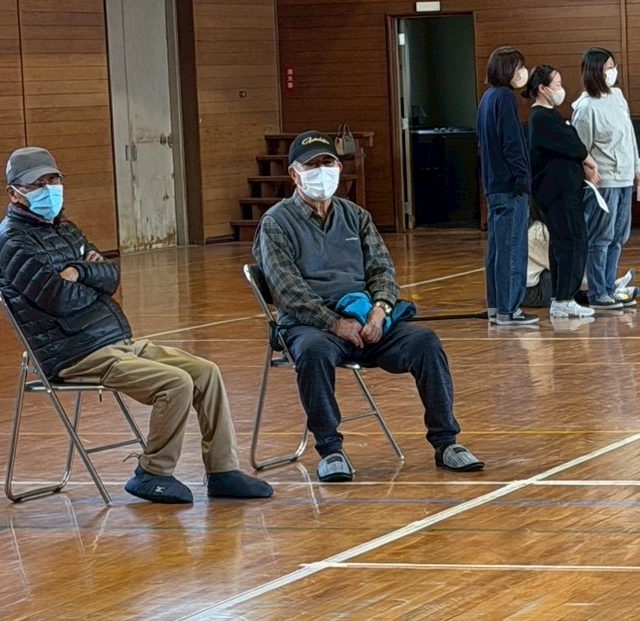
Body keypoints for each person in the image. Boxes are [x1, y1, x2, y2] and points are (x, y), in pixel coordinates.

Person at [0, 147, 273, 506]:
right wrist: (90, 278)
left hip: (114, 339)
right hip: (74, 353)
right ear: (13, 193)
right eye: (38, 184)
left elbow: (111, 275)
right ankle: (153, 473)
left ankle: (223, 471)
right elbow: (58, 300)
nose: (49, 189)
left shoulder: (65, 228)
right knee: (175, 383)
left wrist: (80, 272)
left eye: (54, 180)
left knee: (206, 372)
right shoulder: (10, 242)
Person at [253, 131, 483, 482]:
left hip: (366, 320)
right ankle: (330, 450)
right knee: (313, 353)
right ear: (293, 175)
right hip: (313, 325)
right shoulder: (275, 223)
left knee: (426, 343)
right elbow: (289, 292)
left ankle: (446, 442)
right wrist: (334, 323)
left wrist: (380, 310)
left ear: (339, 167)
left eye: (327, 162)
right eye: (311, 165)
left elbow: (382, 270)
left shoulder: (356, 216)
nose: (321, 171)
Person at [524, 65, 599, 320]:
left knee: (570, 241)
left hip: (567, 192)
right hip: (556, 194)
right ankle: (565, 297)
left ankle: (563, 296)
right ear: (542, 89)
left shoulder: (551, 116)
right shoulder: (540, 118)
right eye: (556, 84)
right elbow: (573, 144)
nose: (560, 88)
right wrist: (587, 159)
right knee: (569, 242)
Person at [571, 47, 640, 310]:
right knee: (601, 236)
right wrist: (591, 174)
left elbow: (629, 135)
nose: (612, 72)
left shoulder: (618, 96)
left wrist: (636, 167)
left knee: (619, 235)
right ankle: (598, 291)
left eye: (613, 66)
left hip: (624, 177)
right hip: (605, 181)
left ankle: (609, 286)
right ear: (594, 72)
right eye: (607, 67)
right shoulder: (586, 107)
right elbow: (581, 148)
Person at [477, 45, 537, 328]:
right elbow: (512, 142)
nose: (522, 72)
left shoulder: (487, 98)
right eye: (518, 67)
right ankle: (509, 309)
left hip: (493, 184)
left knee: (497, 249)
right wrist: (523, 179)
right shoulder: (504, 98)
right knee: (513, 247)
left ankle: (495, 306)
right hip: (510, 185)